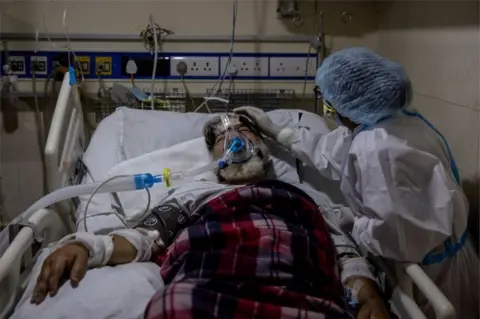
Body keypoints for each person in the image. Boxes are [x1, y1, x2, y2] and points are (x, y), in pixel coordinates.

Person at [29, 113, 390, 319]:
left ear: (262, 145)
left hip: (302, 291)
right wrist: (86, 247)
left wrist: (367, 292)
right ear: (214, 157)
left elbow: (344, 253)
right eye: (221, 137)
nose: (231, 137)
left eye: (242, 130)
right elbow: (142, 238)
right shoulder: (192, 192)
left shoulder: (302, 196)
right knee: (173, 305)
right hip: (206, 288)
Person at [235, 47, 479, 318]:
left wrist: (355, 223)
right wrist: (280, 133)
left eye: (324, 96)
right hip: (442, 255)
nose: (325, 102)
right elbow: (332, 151)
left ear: (346, 101)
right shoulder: (390, 120)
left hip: (437, 276)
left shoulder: (377, 149)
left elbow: (395, 236)